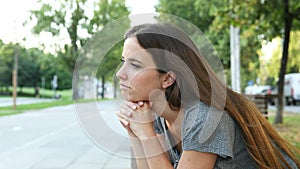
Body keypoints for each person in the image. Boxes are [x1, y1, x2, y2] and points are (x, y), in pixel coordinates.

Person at [115, 23, 300, 169]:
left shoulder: (205, 119)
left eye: (135, 65)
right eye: (124, 61)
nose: (120, 74)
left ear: (168, 78)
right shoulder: (157, 116)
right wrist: (135, 129)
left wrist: (146, 134)